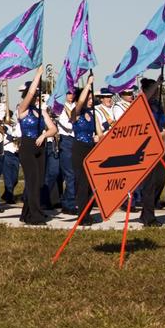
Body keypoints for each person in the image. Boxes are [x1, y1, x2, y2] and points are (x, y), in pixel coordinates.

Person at [16, 66, 56, 226]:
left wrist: (44, 134)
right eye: (35, 94)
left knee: (39, 182)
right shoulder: (22, 109)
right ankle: (36, 215)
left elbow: (53, 129)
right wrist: (38, 75)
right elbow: (31, 93)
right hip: (27, 146)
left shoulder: (42, 111)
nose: (37, 97)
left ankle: (26, 213)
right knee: (32, 181)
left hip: (40, 146)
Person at [139, 78, 165, 227]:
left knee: (160, 180)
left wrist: (162, 135)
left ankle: (147, 210)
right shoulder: (141, 103)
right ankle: (148, 217)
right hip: (145, 149)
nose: (156, 93)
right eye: (154, 90)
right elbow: (146, 97)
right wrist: (157, 83)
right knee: (149, 183)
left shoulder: (158, 106)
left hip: (159, 147)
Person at [68, 75, 98, 225]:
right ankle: (82, 215)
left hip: (90, 148)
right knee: (82, 183)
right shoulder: (76, 112)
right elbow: (79, 103)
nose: (91, 100)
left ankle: (88, 212)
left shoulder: (92, 114)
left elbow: (99, 132)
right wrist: (88, 84)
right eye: (89, 97)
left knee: (91, 185)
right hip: (79, 148)